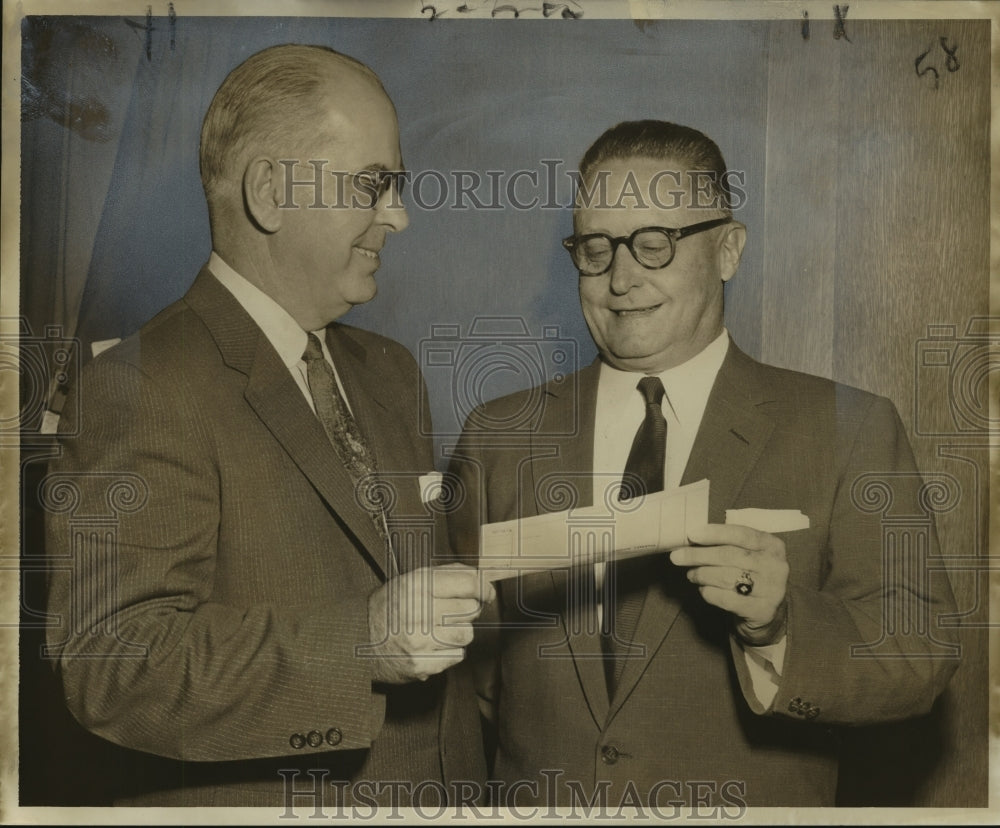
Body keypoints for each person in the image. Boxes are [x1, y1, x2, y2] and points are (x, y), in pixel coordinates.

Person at [448, 120, 959, 808]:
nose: (621, 279)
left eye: (654, 244)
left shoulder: (848, 426)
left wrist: (777, 627)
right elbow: (468, 678)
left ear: (728, 249)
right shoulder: (499, 434)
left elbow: (917, 657)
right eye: (595, 249)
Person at [44, 44, 493, 808]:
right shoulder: (138, 385)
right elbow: (113, 667)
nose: (399, 215)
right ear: (270, 193)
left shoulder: (389, 372)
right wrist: (360, 643)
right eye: (373, 185)